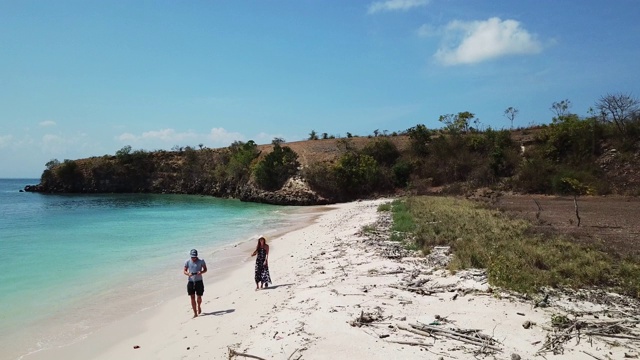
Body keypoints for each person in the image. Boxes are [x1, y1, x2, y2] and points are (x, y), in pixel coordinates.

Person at [183, 249, 207, 318]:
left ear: (197, 256)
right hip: (190, 281)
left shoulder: (201, 261)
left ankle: (199, 306)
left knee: (199, 296)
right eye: (192, 257)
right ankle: (195, 313)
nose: (193, 258)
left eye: (195, 257)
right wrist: (188, 274)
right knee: (192, 297)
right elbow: (184, 271)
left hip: (199, 281)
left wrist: (201, 272)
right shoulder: (187, 262)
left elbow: (205, 269)